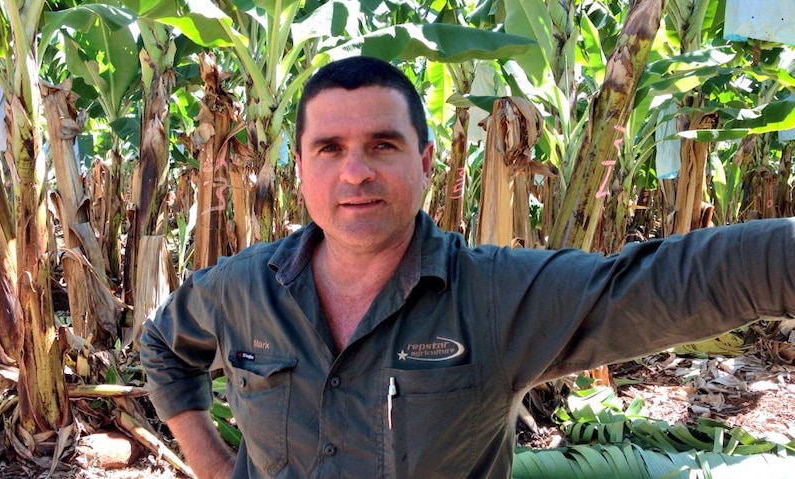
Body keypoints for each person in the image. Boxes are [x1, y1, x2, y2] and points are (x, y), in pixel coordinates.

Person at [140, 55, 795, 479]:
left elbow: (664, 282)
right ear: (301, 170)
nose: (356, 170)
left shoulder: (492, 297)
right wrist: (214, 465)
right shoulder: (242, 289)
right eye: (330, 148)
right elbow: (162, 346)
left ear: (427, 164)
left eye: (382, 144)